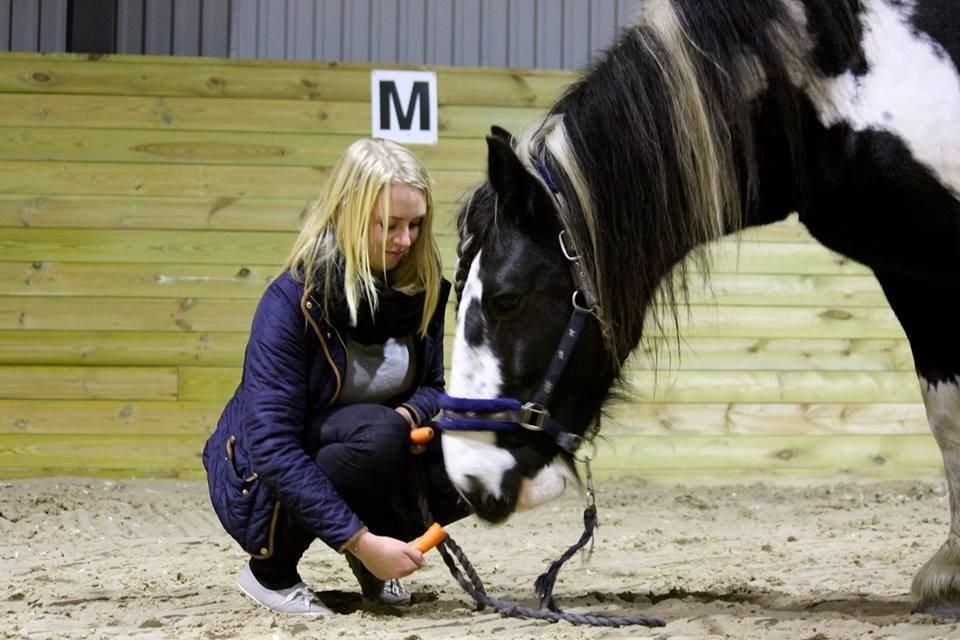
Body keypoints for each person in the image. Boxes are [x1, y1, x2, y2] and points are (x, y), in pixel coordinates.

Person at [202, 138, 470, 615]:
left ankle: (376, 567)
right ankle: (271, 574)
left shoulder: (421, 291)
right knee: (378, 433)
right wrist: (362, 541)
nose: (405, 240)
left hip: (372, 446)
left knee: (475, 451)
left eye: (416, 225)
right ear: (347, 213)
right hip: (261, 480)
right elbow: (271, 445)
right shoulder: (290, 302)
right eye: (389, 225)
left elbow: (433, 389)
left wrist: (410, 413)